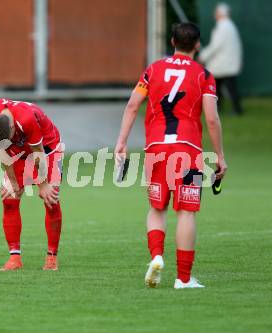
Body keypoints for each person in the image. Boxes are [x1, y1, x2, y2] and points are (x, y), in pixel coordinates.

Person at [115, 23, 228, 289]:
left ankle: (156, 257)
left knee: (157, 208)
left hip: (156, 148)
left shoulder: (153, 70)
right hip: (187, 148)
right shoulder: (204, 75)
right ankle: (184, 279)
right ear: (198, 45)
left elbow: (133, 105)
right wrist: (220, 156)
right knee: (186, 213)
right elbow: (211, 119)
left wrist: (121, 142)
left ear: (172, 41)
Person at [0, 98, 63, 271]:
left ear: (12, 128)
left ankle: (51, 257)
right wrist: (12, 181)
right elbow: (2, 149)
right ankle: (15, 258)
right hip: (18, 151)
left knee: (51, 200)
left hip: (47, 149)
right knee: (9, 200)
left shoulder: (26, 118)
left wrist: (43, 186)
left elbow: (38, 154)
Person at [199, 2, 243, 115]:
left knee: (220, 87)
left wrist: (203, 56)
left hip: (224, 65)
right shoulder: (228, 25)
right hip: (226, 64)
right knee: (222, 87)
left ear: (220, 13)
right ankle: (222, 108)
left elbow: (215, 45)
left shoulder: (223, 26)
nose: (215, 14)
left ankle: (233, 109)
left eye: (216, 12)